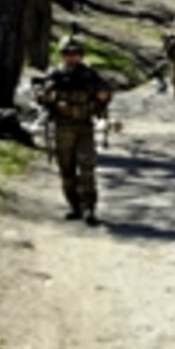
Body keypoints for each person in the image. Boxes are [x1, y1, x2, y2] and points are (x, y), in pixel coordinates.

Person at [36, 35, 112, 226]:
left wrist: (103, 96)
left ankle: (89, 208)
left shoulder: (90, 74)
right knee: (67, 170)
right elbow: (41, 94)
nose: (72, 57)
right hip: (63, 127)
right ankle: (74, 206)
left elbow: (105, 92)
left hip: (84, 126)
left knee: (87, 168)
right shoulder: (54, 74)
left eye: (76, 53)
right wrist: (44, 95)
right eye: (67, 53)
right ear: (62, 55)